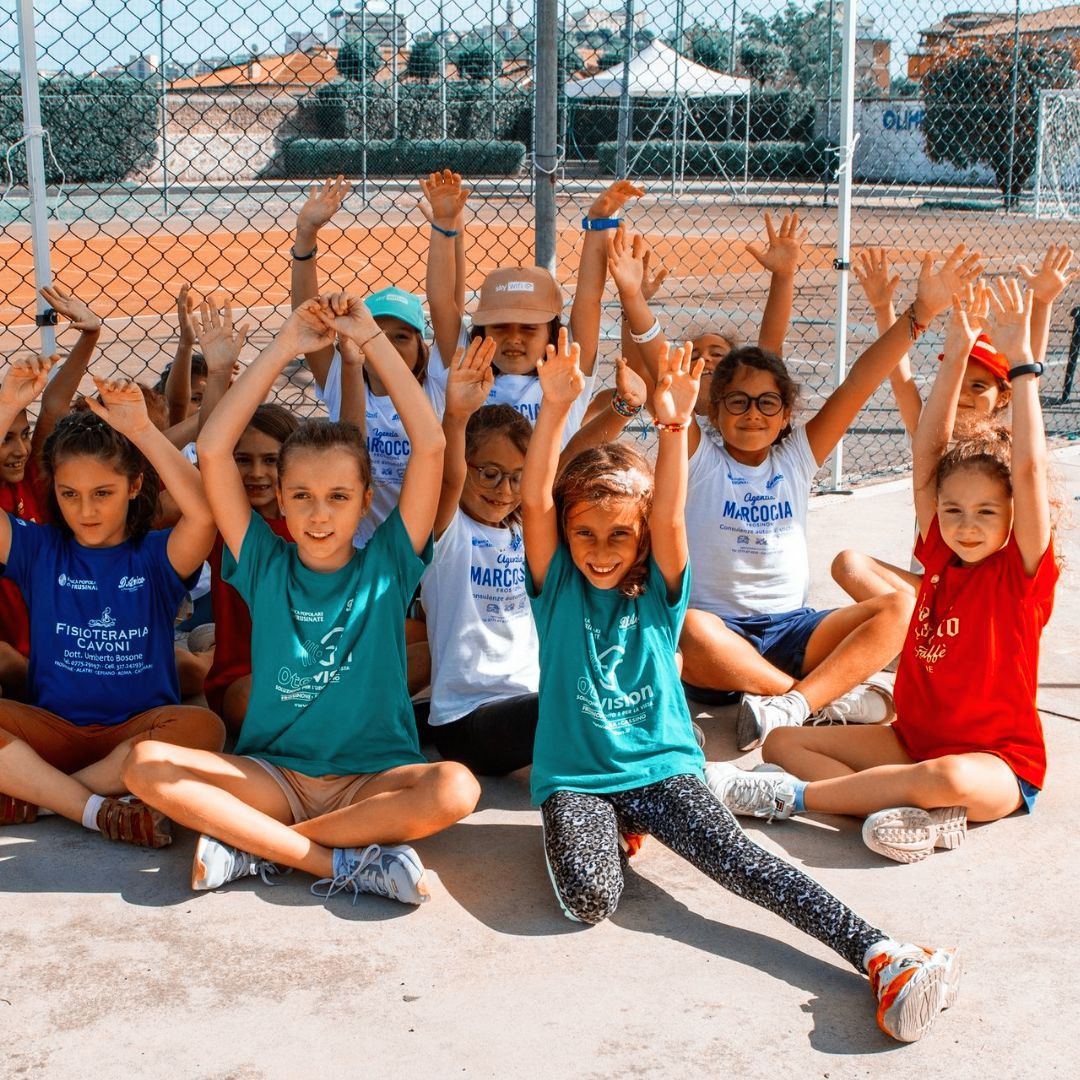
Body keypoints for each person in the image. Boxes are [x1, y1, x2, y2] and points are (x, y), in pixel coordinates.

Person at [520, 330, 960, 1044]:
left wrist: (672, 427)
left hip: (661, 765)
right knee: (589, 900)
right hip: (575, 774)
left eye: (618, 536)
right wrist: (555, 410)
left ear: (642, 541)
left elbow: (666, 513)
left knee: (741, 865)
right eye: (585, 534)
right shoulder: (556, 589)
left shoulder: (661, 592)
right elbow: (538, 503)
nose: (601, 549)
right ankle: (614, 826)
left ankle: (884, 953)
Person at [123, 293, 480, 905]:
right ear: (281, 502)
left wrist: (369, 339)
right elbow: (212, 450)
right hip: (275, 774)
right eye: (304, 496)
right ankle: (339, 859)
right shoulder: (263, 561)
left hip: (373, 777)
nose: (320, 514)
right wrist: (284, 344)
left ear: (366, 500)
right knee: (144, 765)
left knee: (456, 789)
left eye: (339, 497)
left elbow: (431, 447)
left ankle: (252, 845)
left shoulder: (390, 563)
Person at [709, 280, 1058, 864]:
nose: (966, 525)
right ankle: (905, 816)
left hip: (995, 764)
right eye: (953, 511)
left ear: (1014, 517)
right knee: (783, 739)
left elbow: (1028, 468)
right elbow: (929, 450)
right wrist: (954, 343)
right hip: (911, 741)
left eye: (986, 513)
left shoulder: (1019, 573)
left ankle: (796, 798)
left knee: (944, 780)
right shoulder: (941, 557)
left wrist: (1023, 367)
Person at [621, 236, 983, 748]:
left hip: (794, 630)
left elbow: (859, 381)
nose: (752, 413)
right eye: (738, 402)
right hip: (720, 642)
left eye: (768, 403)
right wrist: (634, 298)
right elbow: (664, 368)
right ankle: (813, 699)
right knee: (688, 628)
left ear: (787, 414)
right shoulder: (698, 454)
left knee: (898, 608)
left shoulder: (797, 456)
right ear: (714, 410)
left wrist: (920, 313)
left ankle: (791, 705)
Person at [0, 359, 224, 843]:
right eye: (69, 494)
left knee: (204, 729)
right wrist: (8, 405)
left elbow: (204, 514)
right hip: (53, 732)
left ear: (135, 485)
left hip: (135, 737)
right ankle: (100, 810)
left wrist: (143, 430)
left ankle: (46, 800)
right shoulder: (38, 550)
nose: (86, 509)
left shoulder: (155, 556)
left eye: (103, 492)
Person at [832, 243, 1074, 603]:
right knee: (850, 564)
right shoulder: (931, 437)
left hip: (992, 591)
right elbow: (901, 380)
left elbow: (1028, 376)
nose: (962, 394)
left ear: (1003, 395)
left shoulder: (1005, 445)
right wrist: (884, 308)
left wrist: (1042, 303)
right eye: (958, 380)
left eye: (978, 385)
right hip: (935, 587)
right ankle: (907, 645)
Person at [421, 170, 632, 441]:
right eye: (499, 327)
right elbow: (440, 301)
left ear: (552, 333)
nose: (514, 338)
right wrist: (443, 224)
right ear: (482, 332)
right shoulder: (467, 369)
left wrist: (599, 223)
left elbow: (589, 298)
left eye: (529, 328)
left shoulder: (566, 375)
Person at [0, 284, 101, 697]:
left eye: (23, 435)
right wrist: (7, 401)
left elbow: (56, 405)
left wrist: (90, 334)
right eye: (7, 437)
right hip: (19, 657)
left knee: (181, 667)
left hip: (67, 643)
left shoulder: (32, 483)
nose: (20, 449)